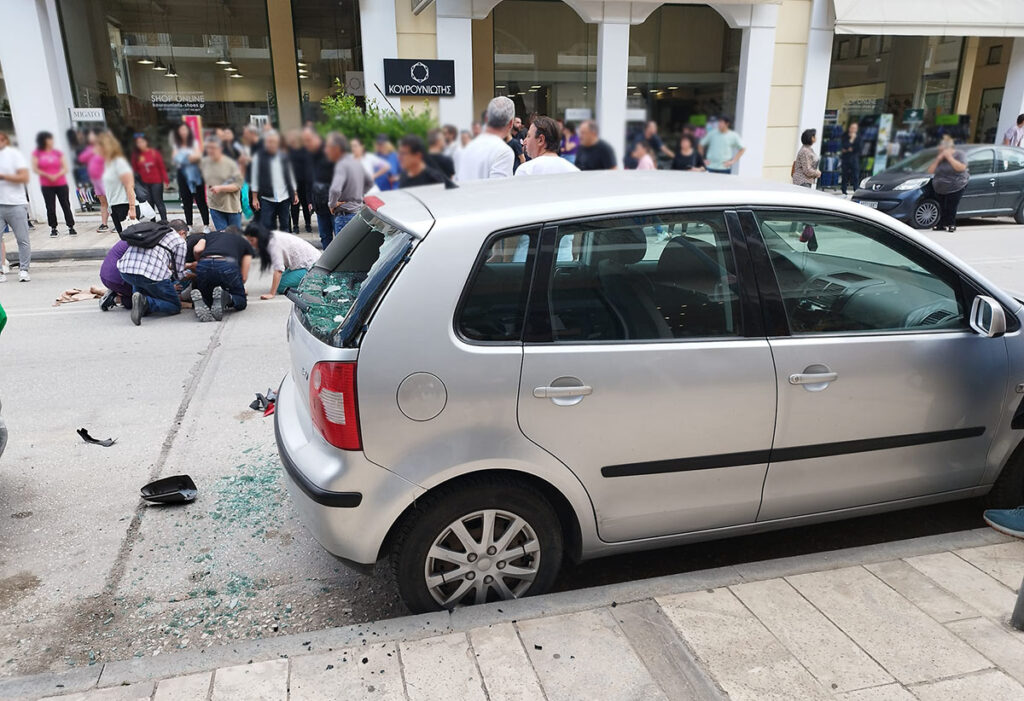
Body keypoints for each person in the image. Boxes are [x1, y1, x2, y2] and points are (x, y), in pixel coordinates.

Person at [117, 221, 187, 325]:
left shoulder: (153, 231)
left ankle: (140, 301)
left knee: (139, 288)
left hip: (126, 271)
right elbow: (179, 274)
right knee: (175, 306)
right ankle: (146, 302)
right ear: (183, 232)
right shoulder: (180, 241)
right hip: (151, 275)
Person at [189, 225, 255, 321]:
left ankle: (204, 301)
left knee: (207, 295)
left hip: (204, 263)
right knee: (241, 300)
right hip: (227, 264)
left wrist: (200, 262)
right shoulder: (243, 242)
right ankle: (227, 298)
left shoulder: (210, 235)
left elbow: (197, 249)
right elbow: (244, 277)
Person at [244, 222, 320, 299]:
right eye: (248, 241)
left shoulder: (273, 244)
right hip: (306, 264)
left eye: (252, 240)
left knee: (280, 287)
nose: (251, 244)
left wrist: (271, 294)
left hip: (312, 267)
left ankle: (312, 287)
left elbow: (278, 270)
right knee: (281, 280)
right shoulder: (271, 236)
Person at [456, 96, 516, 181]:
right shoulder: (503, 152)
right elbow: (499, 190)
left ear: (486, 119)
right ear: (511, 123)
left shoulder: (466, 147)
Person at [250, 130, 298, 232]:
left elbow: (291, 176)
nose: (271, 144)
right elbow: (254, 178)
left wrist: (294, 193)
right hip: (267, 197)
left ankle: (285, 246)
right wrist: (254, 198)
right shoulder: (258, 157)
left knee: (285, 225)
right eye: (269, 141)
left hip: (284, 196)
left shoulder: (284, 157)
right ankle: (269, 245)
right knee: (267, 225)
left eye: (274, 142)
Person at [32, 131, 77, 237]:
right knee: (50, 207)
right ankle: (53, 227)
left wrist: (57, 175)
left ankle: (71, 226)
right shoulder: (37, 153)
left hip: (61, 183)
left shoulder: (57, 153)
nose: (52, 141)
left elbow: (65, 167)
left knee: (65, 204)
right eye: (49, 139)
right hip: (47, 185)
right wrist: (48, 175)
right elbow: (35, 168)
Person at [0, 131, 31, 282]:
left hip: (16, 203)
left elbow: (24, 177)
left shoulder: (14, 155)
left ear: (5, 140)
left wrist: (4, 176)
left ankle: (24, 270)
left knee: (22, 239)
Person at [327, 132, 372, 236]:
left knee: (341, 251)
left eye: (329, 147)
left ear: (336, 148)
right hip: (357, 213)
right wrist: (359, 194)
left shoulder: (342, 165)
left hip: (344, 216)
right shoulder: (356, 163)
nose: (327, 150)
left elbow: (335, 189)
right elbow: (369, 182)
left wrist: (332, 204)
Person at [96, 132, 138, 234]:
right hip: (114, 206)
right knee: (123, 239)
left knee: (131, 240)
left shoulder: (119, 162)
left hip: (124, 205)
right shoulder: (106, 164)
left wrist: (132, 208)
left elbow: (129, 185)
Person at [199, 136, 243, 231]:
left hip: (231, 207)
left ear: (220, 149)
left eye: (213, 148)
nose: (211, 150)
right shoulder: (205, 163)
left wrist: (220, 188)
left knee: (235, 238)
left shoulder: (230, 164)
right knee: (222, 237)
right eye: (208, 148)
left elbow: (238, 185)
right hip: (215, 206)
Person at [927, 135, 969, 233]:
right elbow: (930, 170)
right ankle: (941, 224)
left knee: (951, 205)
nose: (939, 148)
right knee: (942, 205)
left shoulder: (959, 154)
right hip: (940, 186)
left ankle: (951, 224)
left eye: (940, 146)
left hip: (956, 184)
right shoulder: (939, 156)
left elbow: (961, 168)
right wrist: (938, 159)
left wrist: (949, 158)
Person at [172, 123, 209, 230]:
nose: (183, 132)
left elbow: (198, 157)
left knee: (201, 200)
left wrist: (182, 158)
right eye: (181, 130)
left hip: (196, 174)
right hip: (182, 175)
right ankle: (189, 225)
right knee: (186, 200)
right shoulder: (176, 144)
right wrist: (189, 157)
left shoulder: (194, 143)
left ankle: (206, 225)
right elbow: (175, 160)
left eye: (185, 130)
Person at [304, 127, 335, 249]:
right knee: (324, 236)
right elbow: (308, 182)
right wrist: (309, 201)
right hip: (318, 204)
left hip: (332, 203)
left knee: (339, 236)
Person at [131, 133, 169, 223]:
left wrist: (166, 180)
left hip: (156, 181)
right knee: (149, 203)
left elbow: (162, 167)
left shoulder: (154, 153)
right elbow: (134, 169)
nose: (140, 144)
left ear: (146, 142)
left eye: (142, 142)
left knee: (158, 201)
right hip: (144, 183)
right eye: (138, 142)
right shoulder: (136, 155)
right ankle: (153, 222)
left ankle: (164, 221)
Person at [79, 130, 110, 231]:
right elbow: (82, 158)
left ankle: (119, 222)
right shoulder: (91, 149)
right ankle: (104, 224)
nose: (90, 137)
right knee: (103, 202)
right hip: (96, 180)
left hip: (105, 179)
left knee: (112, 201)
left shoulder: (106, 149)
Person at [286, 129, 312, 233]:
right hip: (293, 182)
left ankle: (308, 224)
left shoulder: (305, 150)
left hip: (305, 182)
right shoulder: (288, 151)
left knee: (306, 204)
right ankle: (295, 225)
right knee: (294, 204)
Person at [840, 122, 862, 195]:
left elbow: (859, 148)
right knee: (845, 175)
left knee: (855, 175)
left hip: (854, 158)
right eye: (852, 128)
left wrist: (849, 148)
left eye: (855, 128)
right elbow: (844, 146)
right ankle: (844, 190)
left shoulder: (858, 137)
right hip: (845, 158)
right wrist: (851, 139)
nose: (853, 129)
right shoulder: (845, 135)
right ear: (849, 128)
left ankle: (856, 189)